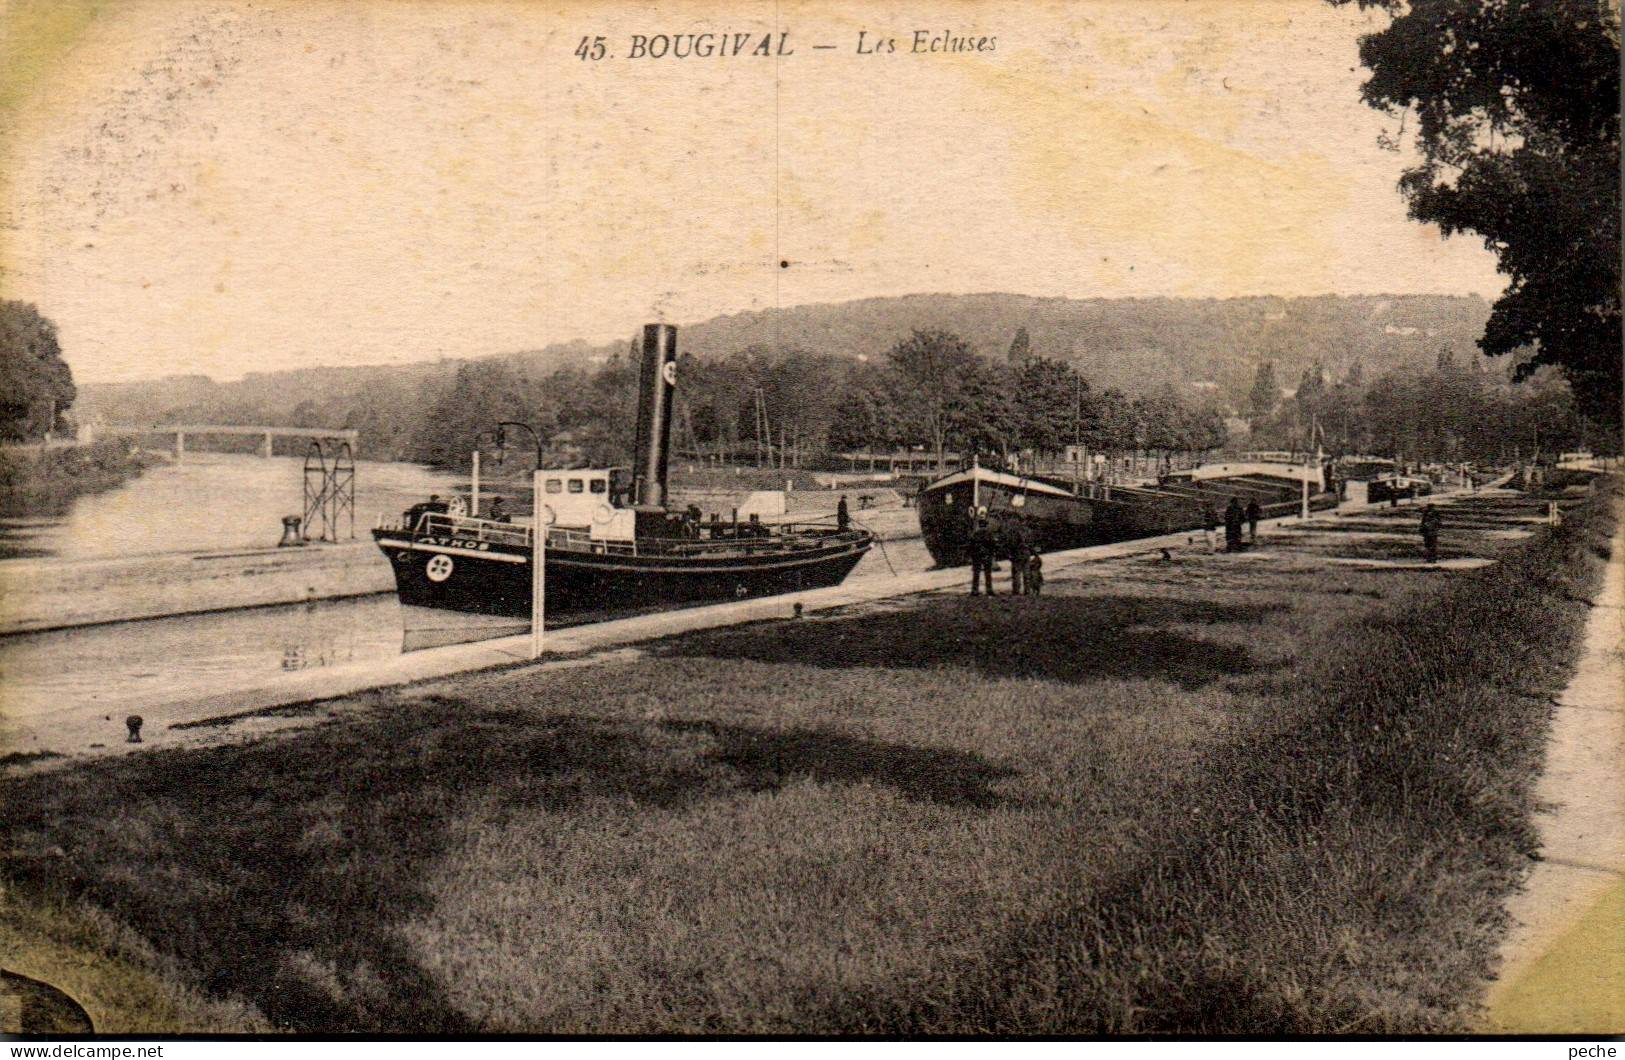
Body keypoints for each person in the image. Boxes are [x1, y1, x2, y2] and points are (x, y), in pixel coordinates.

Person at [1003, 514, 1032, 595]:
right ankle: (1027, 590)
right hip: (1026, 552)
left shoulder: (1015, 531)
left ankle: (1016, 591)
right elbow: (1031, 542)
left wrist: (1010, 553)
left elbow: (1012, 543)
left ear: (1019, 521)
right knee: (1026, 573)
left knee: (1016, 573)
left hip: (1018, 553)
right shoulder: (1028, 531)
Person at [969, 516, 997, 596]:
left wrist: (972, 556)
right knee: (988, 574)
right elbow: (993, 545)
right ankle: (989, 590)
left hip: (977, 557)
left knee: (976, 574)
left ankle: (975, 590)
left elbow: (971, 546)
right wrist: (992, 554)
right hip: (987, 556)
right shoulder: (989, 534)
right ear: (985, 525)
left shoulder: (975, 534)